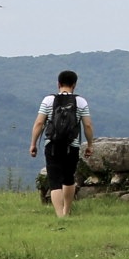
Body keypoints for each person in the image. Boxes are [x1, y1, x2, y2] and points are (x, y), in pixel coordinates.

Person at [29, 69, 93, 219]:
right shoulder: (81, 102)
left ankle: (60, 216)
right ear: (74, 85)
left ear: (58, 84)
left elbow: (39, 123)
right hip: (72, 145)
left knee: (54, 180)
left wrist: (33, 144)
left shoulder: (48, 100)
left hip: (52, 145)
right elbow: (87, 125)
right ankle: (66, 211)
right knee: (69, 178)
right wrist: (90, 145)